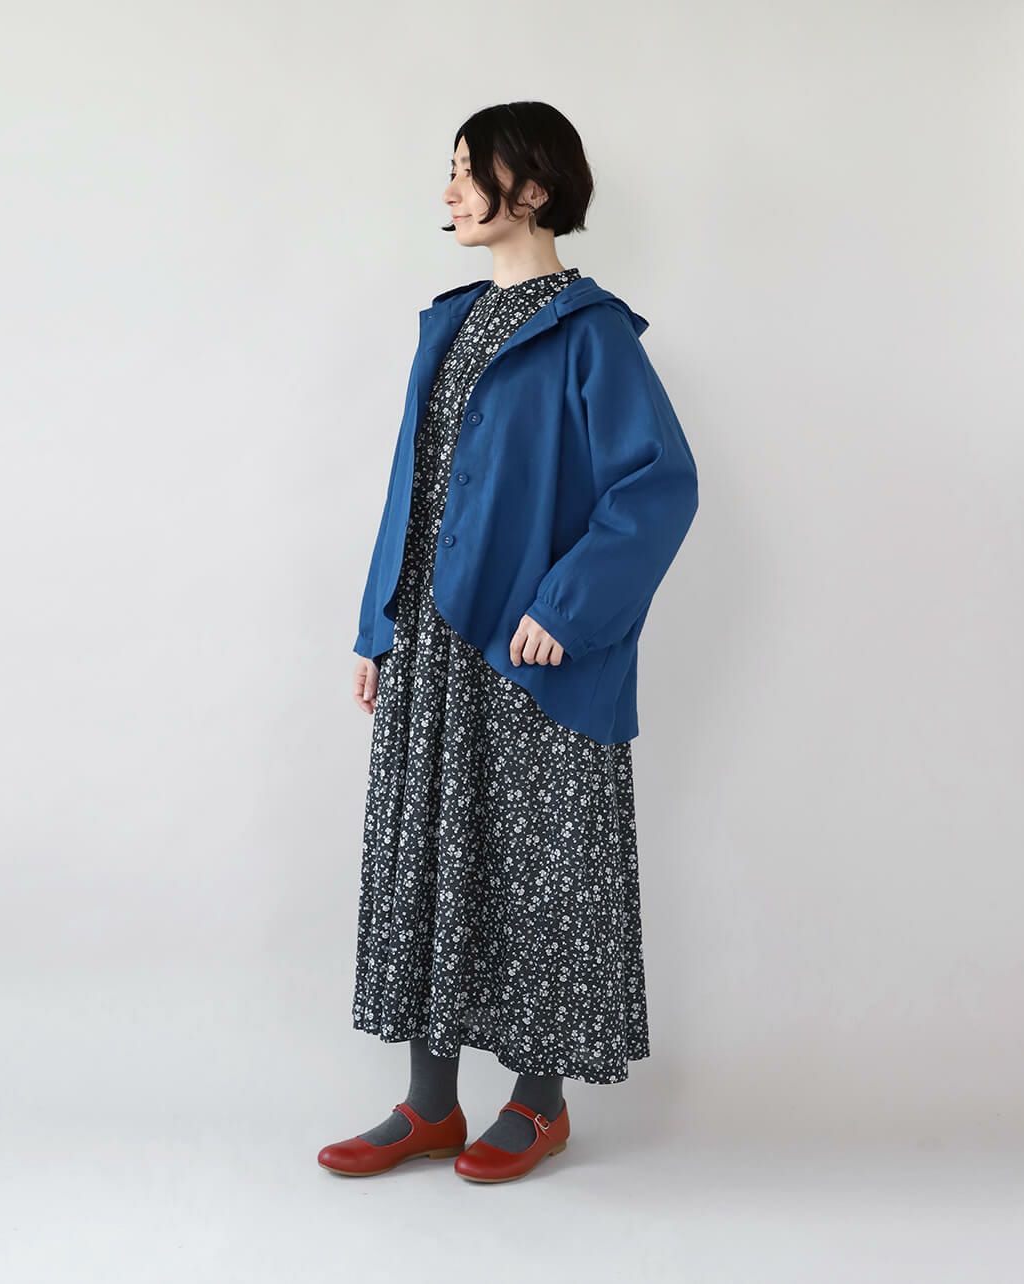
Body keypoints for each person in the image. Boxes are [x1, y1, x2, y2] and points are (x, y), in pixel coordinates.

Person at [317, 101, 698, 1183]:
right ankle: (429, 1106)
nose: (447, 192)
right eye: (447, 170)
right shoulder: (448, 324)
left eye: (466, 170)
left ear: (529, 188)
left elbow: (657, 488)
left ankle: (538, 1104)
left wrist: (565, 610)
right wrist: (377, 625)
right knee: (430, 857)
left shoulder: (589, 332)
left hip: (532, 657)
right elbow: (413, 488)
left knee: (541, 868)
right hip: (432, 649)